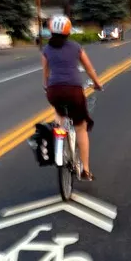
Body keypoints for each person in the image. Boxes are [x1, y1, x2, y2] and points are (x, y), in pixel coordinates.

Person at [41, 15, 102, 182]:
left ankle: (58, 138)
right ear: (68, 32)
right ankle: (86, 170)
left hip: (54, 91)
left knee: (59, 113)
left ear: (51, 31)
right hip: (74, 91)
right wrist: (97, 83)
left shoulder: (46, 49)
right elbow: (89, 69)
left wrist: (47, 87)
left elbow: (45, 74)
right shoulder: (76, 47)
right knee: (81, 128)